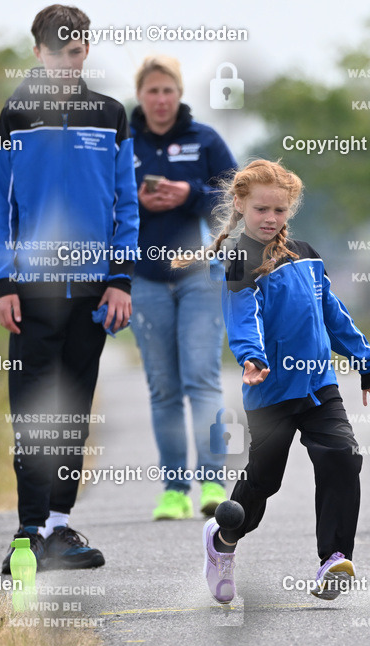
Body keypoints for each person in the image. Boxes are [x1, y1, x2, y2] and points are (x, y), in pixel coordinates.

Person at [196, 159, 370, 603]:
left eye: (280, 211)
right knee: (264, 482)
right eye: (262, 210)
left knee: (342, 456)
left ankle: (334, 559)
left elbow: (332, 314)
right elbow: (242, 317)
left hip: (319, 386)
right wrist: (250, 358)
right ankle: (223, 540)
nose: (270, 219)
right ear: (241, 205)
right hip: (269, 389)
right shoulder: (237, 261)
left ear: (290, 211)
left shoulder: (306, 254)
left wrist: (368, 362)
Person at [0, 4, 139, 571]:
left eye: (76, 52)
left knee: (73, 409)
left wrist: (120, 278)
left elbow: (125, 204)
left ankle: (58, 527)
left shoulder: (111, 114)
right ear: (38, 54)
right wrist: (4, 281)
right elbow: (1, 207)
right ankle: (27, 533)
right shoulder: (16, 115)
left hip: (94, 292)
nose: (67, 63)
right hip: (31, 290)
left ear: (86, 51)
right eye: (57, 54)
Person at [128, 55, 238, 521]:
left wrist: (188, 194)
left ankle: (213, 480)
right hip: (144, 279)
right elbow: (98, 202)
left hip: (198, 275)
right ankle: (174, 488)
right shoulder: (122, 142)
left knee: (202, 377)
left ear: (179, 93)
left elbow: (238, 199)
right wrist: (134, 197)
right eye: (152, 91)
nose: (160, 99)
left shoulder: (204, 139)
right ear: (140, 96)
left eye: (168, 90)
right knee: (164, 389)